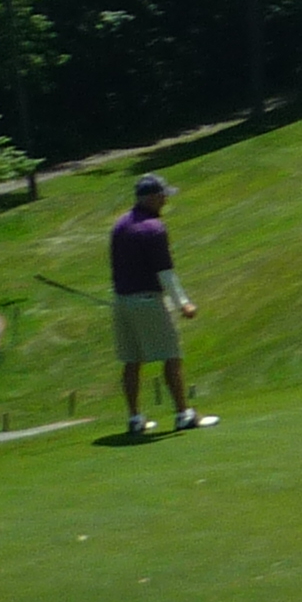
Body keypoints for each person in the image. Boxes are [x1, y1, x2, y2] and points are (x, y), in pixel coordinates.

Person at [108, 170, 213, 436]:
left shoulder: (119, 225)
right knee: (172, 355)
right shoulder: (154, 228)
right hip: (147, 301)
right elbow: (165, 272)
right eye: (162, 196)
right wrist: (183, 304)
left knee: (132, 361)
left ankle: (135, 419)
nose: (165, 200)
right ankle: (183, 414)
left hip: (121, 302)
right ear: (152, 197)